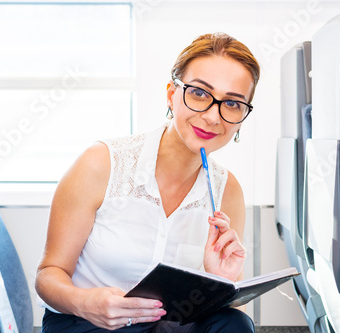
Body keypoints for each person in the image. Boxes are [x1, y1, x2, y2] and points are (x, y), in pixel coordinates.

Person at [36, 32, 260, 332]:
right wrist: (84, 303)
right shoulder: (101, 163)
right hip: (88, 322)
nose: (212, 117)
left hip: (168, 325)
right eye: (199, 93)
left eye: (232, 103)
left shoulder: (227, 191)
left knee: (235, 322)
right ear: (171, 94)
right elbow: (49, 274)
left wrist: (225, 280)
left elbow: (225, 311)